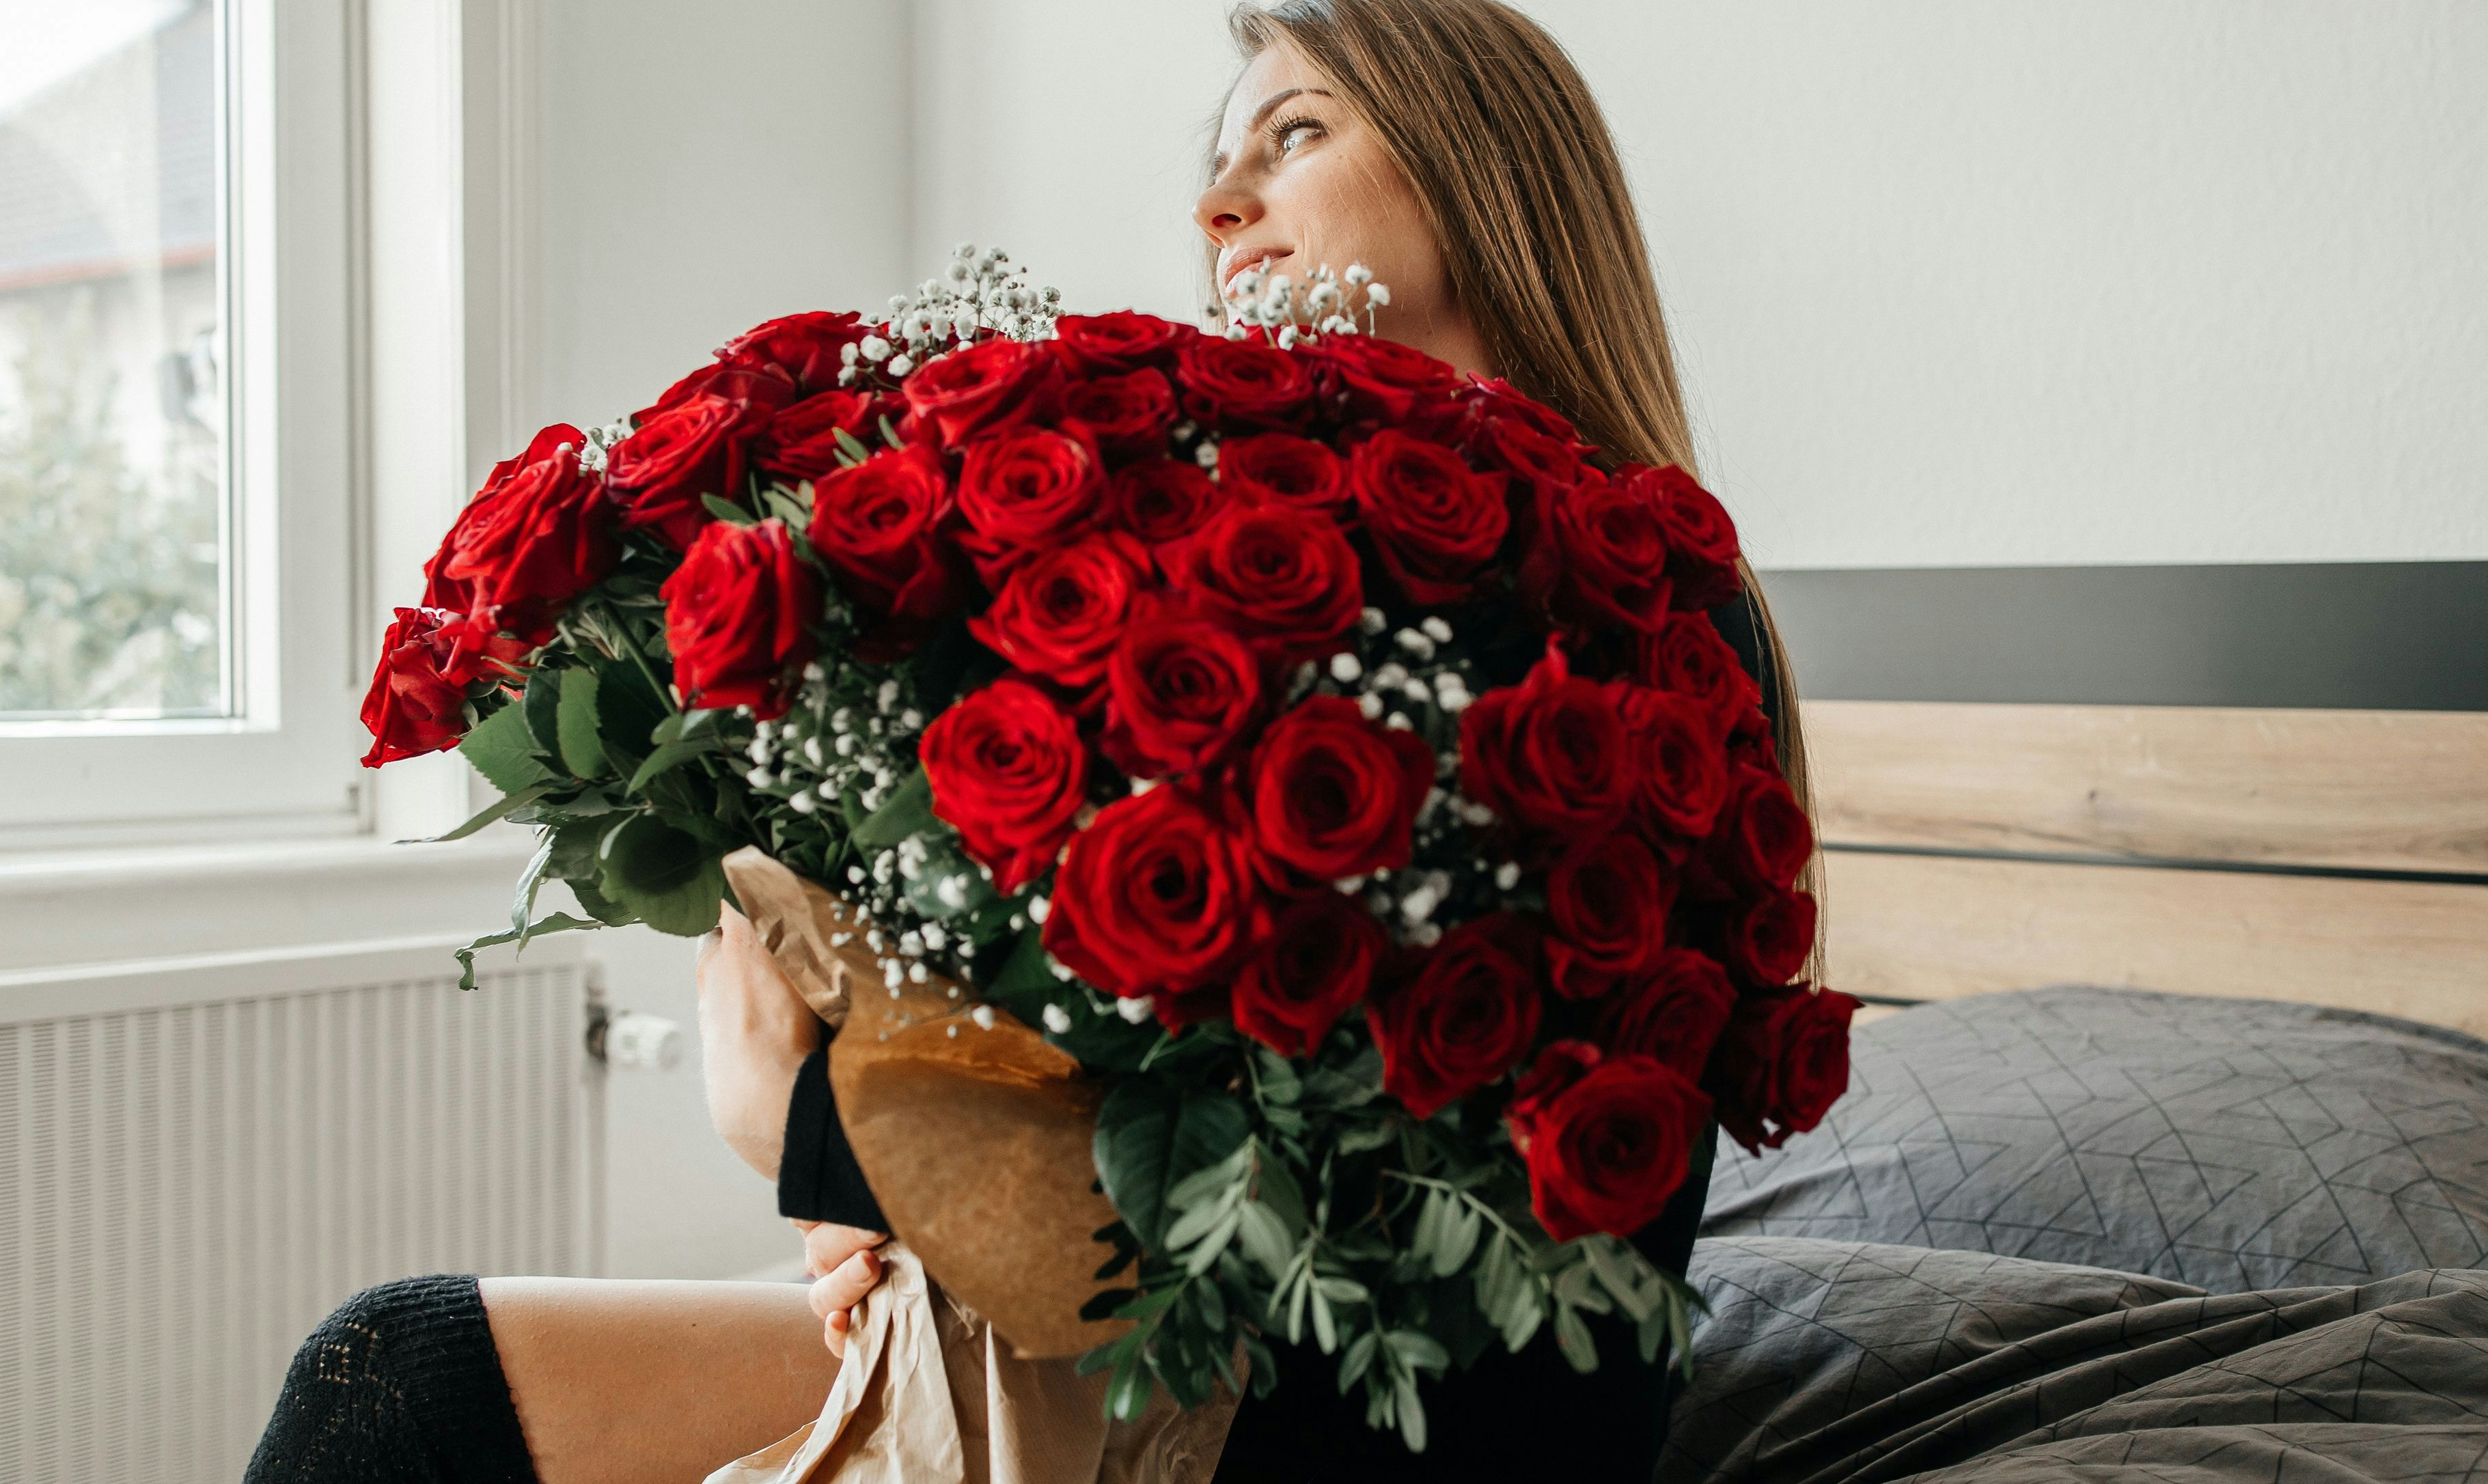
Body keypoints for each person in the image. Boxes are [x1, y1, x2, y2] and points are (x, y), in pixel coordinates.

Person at [245, 3, 1813, 1481]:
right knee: (395, 1368)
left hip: (1348, 1423)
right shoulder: (1288, 577)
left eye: (1295, 135)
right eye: (1223, 160)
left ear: (1489, 171)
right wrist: (896, 1195)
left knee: (400, 1380)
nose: (1219, 206)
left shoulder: (1635, 614)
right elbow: (1118, 1060)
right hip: (1150, 1355)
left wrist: (809, 1130)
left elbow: (1330, 1188)